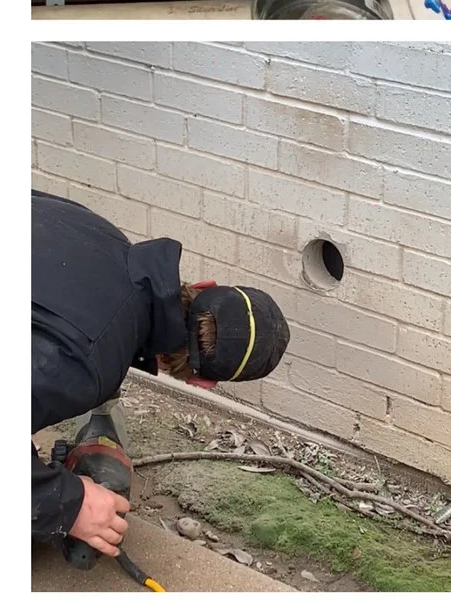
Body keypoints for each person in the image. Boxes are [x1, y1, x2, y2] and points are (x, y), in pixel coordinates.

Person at [31, 190, 290, 557]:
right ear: (203, 383)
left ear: (204, 286)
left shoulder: (96, 229)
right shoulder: (85, 359)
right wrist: (66, 503)